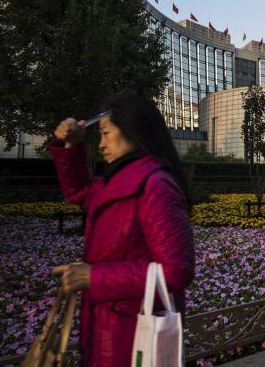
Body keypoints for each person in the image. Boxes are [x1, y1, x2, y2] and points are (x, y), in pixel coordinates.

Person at [49, 94, 195, 367]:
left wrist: (95, 276)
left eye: (105, 134)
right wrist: (72, 145)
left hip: (134, 336)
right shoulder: (116, 180)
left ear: (132, 131)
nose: (101, 144)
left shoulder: (155, 186)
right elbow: (78, 190)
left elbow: (176, 271)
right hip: (107, 329)